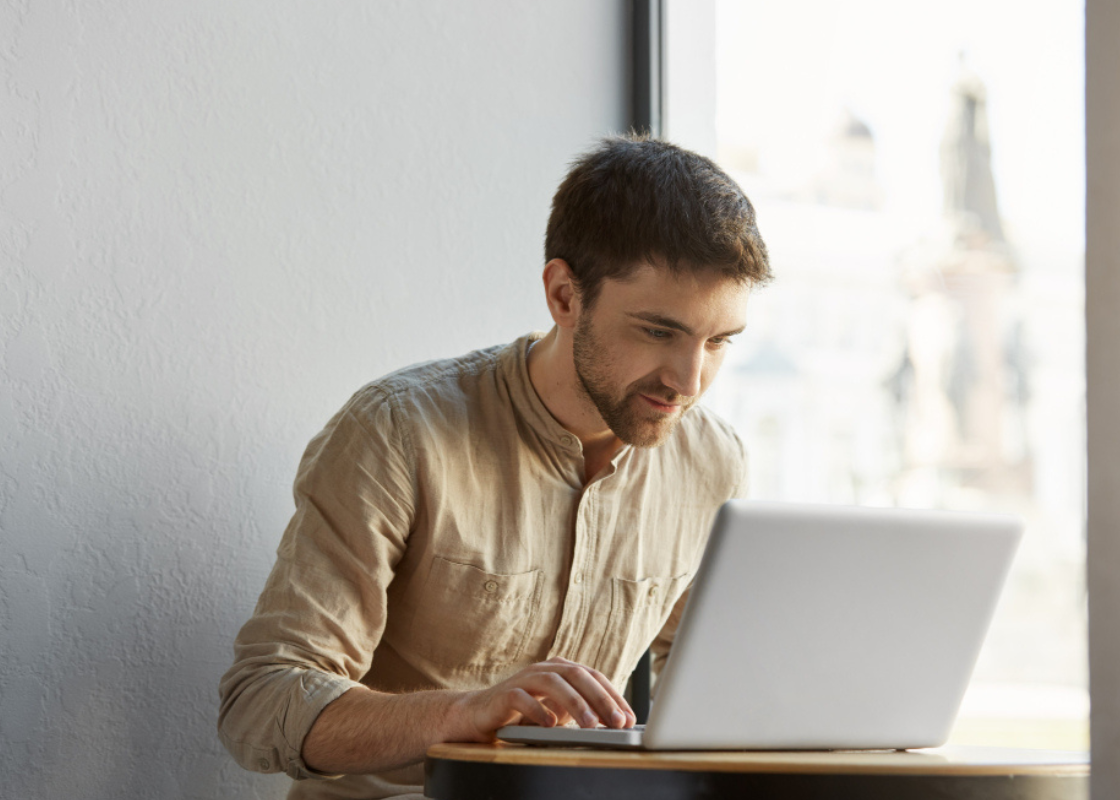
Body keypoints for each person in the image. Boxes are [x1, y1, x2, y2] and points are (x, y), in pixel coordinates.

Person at [217, 135, 772, 800]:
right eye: (659, 332)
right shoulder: (398, 432)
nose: (688, 381)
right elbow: (261, 702)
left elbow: (716, 709)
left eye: (718, 343)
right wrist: (463, 713)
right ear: (564, 295)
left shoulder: (714, 463)